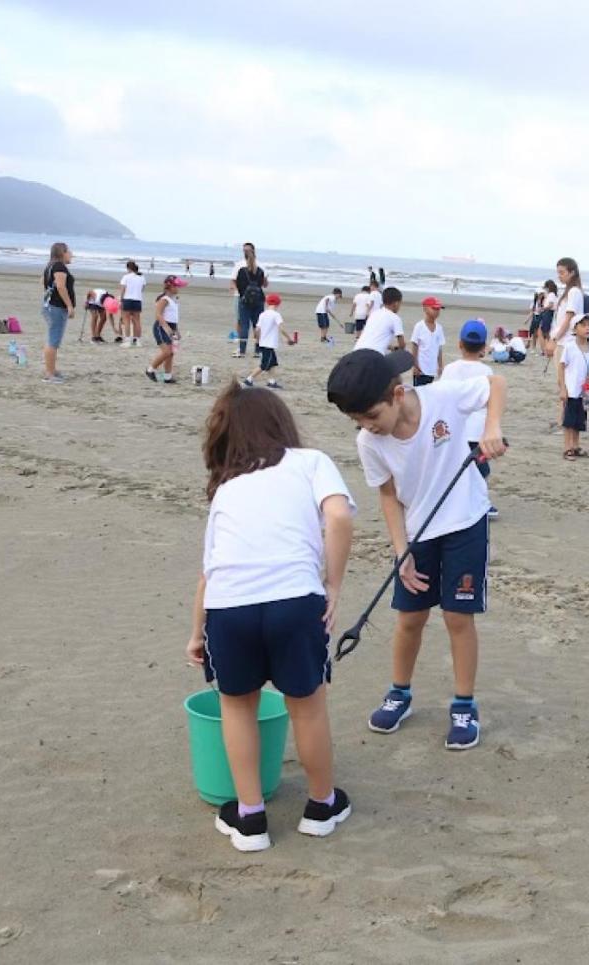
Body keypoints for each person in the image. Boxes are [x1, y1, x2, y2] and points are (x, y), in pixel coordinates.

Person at [186, 382, 354, 852]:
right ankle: (321, 805)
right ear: (281, 424)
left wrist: (196, 633)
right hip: (293, 600)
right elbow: (339, 518)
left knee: (237, 706)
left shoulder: (227, 490)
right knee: (307, 703)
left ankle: (250, 818)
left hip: (228, 606)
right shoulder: (310, 462)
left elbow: (209, 572)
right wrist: (333, 584)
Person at [325, 348, 508, 751]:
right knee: (410, 617)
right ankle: (400, 693)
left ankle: (463, 705)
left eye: (371, 416)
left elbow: (496, 384)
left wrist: (491, 427)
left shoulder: (443, 396)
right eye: (357, 421)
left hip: (465, 522)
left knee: (459, 618)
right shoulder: (368, 442)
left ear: (397, 394)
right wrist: (400, 551)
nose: (367, 427)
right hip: (417, 532)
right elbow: (388, 496)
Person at [442, 319, 500, 518]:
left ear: (460, 344)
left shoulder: (450, 369)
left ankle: (455, 504)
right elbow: (490, 400)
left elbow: (443, 396)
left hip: (456, 429)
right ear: (483, 348)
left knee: (456, 468)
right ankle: (480, 503)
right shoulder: (486, 372)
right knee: (480, 470)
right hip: (478, 431)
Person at [559, 316, 589, 461]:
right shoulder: (570, 346)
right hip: (571, 389)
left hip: (584, 391)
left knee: (580, 420)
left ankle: (575, 446)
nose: (587, 328)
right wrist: (563, 388)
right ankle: (567, 448)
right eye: (583, 325)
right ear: (575, 329)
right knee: (569, 420)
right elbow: (562, 367)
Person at [40, 242, 76, 383]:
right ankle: (49, 374)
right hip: (56, 307)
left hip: (49, 306)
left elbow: (43, 282)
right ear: (62, 252)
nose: (71, 254)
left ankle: (52, 370)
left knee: (53, 339)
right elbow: (61, 287)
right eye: (69, 251)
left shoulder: (50, 265)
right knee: (53, 341)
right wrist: (69, 306)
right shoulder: (59, 266)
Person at [243, 294, 293, 389]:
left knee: (273, 363)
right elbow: (281, 329)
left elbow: (257, 329)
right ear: (278, 304)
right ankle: (248, 379)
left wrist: (257, 340)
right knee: (264, 365)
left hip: (263, 343)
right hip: (269, 344)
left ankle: (272, 381)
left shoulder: (263, 314)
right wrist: (289, 338)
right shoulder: (276, 315)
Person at [145, 275, 187, 384]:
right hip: (161, 327)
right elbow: (158, 315)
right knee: (166, 351)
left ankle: (167, 376)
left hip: (171, 327)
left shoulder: (174, 300)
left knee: (171, 353)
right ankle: (151, 369)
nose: (178, 289)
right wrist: (166, 328)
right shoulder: (164, 299)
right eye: (176, 286)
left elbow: (174, 318)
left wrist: (176, 330)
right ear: (170, 286)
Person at [231, 243, 267, 359]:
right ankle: (257, 351)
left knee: (244, 325)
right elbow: (265, 284)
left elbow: (234, 282)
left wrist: (240, 292)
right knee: (258, 325)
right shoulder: (261, 266)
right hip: (258, 299)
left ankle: (242, 350)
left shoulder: (239, 266)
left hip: (244, 299)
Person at [356, 288, 407, 355]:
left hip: (357, 351)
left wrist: (390, 347)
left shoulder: (374, 314)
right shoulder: (395, 318)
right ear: (396, 303)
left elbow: (373, 338)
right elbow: (402, 344)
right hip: (372, 356)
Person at [410, 296, 445, 385]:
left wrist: (440, 366)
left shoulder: (439, 328)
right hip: (421, 369)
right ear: (425, 309)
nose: (437, 312)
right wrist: (415, 365)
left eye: (438, 309)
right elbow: (414, 346)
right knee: (419, 394)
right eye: (434, 309)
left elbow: (439, 349)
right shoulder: (419, 326)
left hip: (432, 369)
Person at [118, 260, 146, 348]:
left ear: (128, 268)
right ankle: (137, 340)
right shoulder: (142, 277)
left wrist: (121, 300)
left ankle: (127, 340)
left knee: (126, 320)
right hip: (137, 300)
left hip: (127, 299)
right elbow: (142, 289)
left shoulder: (126, 277)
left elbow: (122, 289)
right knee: (137, 320)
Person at [534, 280, 558, 357]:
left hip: (547, 313)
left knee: (543, 332)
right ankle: (546, 349)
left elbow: (550, 305)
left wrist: (543, 309)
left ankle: (545, 350)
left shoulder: (551, 294)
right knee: (545, 332)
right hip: (548, 313)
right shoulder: (552, 294)